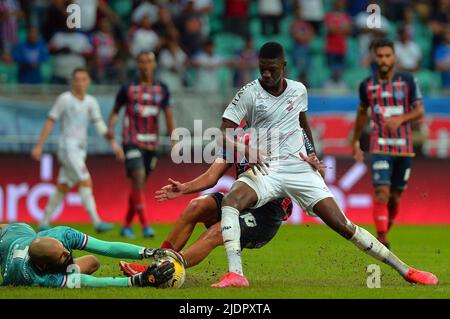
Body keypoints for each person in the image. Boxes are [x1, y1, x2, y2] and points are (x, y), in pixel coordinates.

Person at [212, 41, 437, 287]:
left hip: (299, 168)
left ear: (283, 66)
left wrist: (313, 156)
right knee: (231, 201)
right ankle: (236, 274)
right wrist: (245, 149)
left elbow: (303, 125)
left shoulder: (298, 90)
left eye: (272, 69)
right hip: (267, 168)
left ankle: (406, 270)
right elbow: (223, 132)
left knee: (343, 225)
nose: (266, 74)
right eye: (262, 69)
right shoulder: (248, 92)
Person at [119, 128, 316, 274]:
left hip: (268, 213)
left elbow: (316, 171)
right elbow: (212, 175)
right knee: (196, 206)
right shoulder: (241, 138)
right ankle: (157, 264)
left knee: (218, 230)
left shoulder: (287, 136)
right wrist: (184, 188)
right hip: (239, 204)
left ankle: (162, 271)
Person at [351, 39, 425, 248]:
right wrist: (356, 140)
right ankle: (382, 237)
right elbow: (362, 113)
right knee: (382, 192)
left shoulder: (409, 81)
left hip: (404, 147)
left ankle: (385, 229)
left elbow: (419, 110)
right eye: (380, 56)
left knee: (395, 197)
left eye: (387, 56)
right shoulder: (367, 85)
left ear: (394, 57)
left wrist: (401, 119)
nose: (383, 60)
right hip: (380, 145)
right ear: (375, 58)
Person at [31, 68, 124, 233]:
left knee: (63, 186)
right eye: (77, 79)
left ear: (88, 82)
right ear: (73, 82)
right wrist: (40, 145)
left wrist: (114, 145)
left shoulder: (91, 102)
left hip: (81, 149)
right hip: (67, 148)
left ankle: (44, 221)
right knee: (85, 179)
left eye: (83, 79)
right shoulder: (64, 99)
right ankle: (97, 222)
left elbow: (99, 125)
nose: (80, 82)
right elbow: (50, 121)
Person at [107, 51, 175, 239]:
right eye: (142, 62)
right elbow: (115, 110)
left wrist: (173, 137)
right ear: (138, 65)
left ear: (154, 65)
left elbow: (168, 114)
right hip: (131, 140)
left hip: (151, 144)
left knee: (139, 185)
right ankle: (146, 225)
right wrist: (111, 128)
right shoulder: (128, 88)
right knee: (138, 178)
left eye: (149, 62)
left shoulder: (162, 89)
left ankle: (126, 225)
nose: (145, 65)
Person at [0, 223, 178, 288]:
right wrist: (139, 280)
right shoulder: (37, 277)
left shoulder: (63, 235)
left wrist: (150, 252)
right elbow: (86, 282)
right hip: (5, 244)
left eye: (63, 248)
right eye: (62, 256)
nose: (67, 252)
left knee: (93, 262)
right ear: (46, 267)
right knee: (86, 267)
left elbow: (106, 247)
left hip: (17, 232)